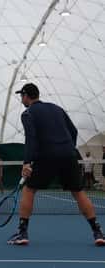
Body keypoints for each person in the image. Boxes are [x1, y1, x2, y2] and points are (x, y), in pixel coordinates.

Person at [7, 83, 105, 246]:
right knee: (78, 192)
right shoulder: (57, 108)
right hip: (69, 155)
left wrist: (26, 163)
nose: (21, 99)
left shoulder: (28, 114)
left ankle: (22, 233)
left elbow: (31, 139)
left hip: (46, 156)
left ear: (26, 96)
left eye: (21, 96)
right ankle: (98, 232)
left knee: (29, 189)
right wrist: (67, 149)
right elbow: (73, 132)